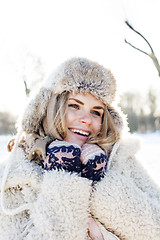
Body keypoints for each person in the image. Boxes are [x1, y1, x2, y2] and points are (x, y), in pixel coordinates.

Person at [0, 57, 159, 240]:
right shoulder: (14, 175)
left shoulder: (120, 160)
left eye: (96, 112)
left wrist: (102, 182)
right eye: (74, 106)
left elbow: (155, 228)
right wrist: (63, 174)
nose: (87, 119)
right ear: (50, 107)